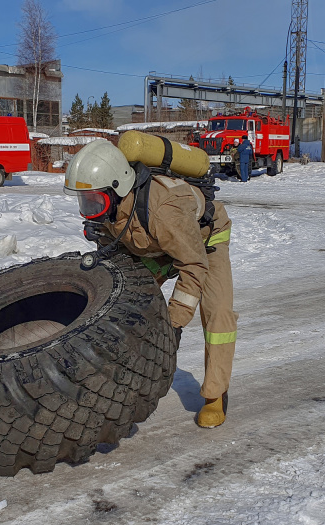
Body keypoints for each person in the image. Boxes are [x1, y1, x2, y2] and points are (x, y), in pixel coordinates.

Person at [64, 140, 237, 428]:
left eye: (93, 201)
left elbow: (193, 266)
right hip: (157, 246)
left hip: (204, 243)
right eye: (85, 201)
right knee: (127, 302)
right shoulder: (110, 210)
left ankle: (215, 395)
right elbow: (117, 256)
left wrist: (174, 323)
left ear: (117, 188)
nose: (89, 209)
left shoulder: (163, 210)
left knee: (218, 313)